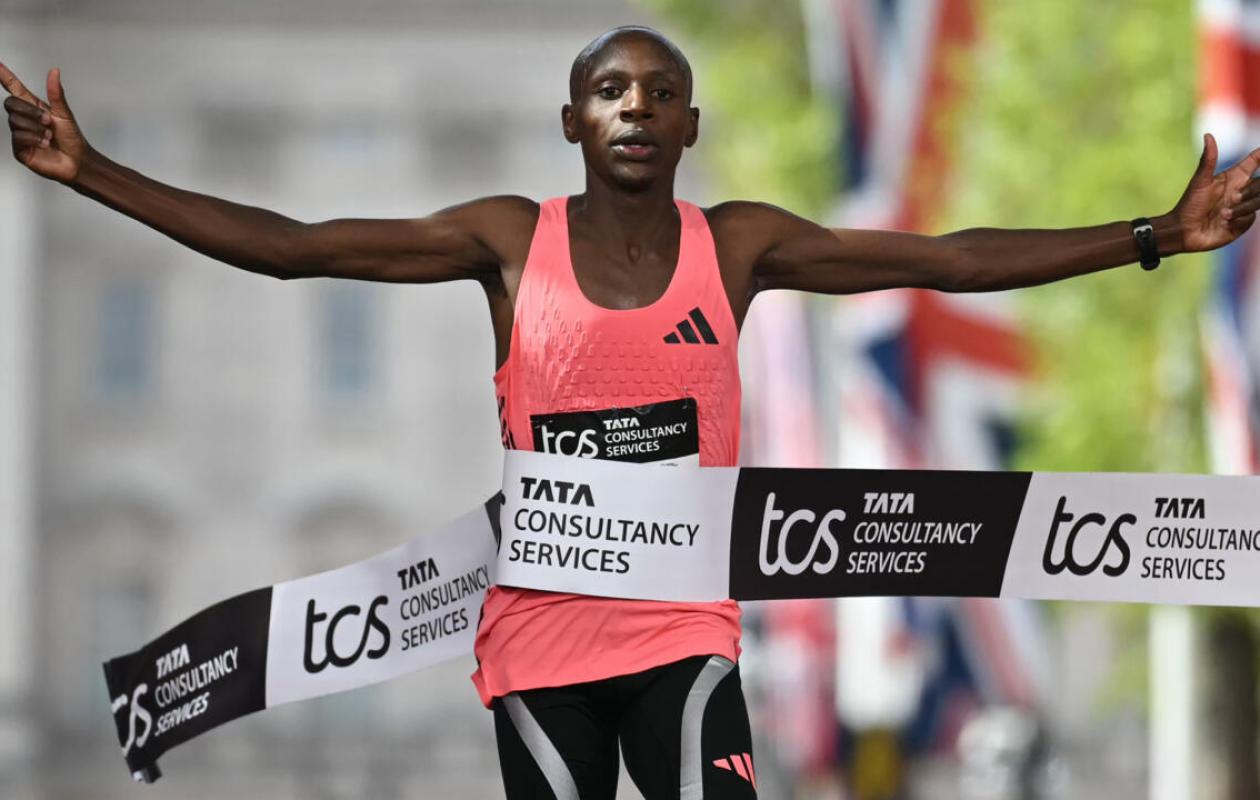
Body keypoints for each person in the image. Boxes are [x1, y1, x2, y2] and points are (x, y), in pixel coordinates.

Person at [4, 23, 1259, 800]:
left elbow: (945, 257)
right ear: (572, 119)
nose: (637, 110)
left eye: (662, 94)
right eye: (612, 90)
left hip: (682, 633)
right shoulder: (506, 241)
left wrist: (1153, 232)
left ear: (692, 125)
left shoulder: (743, 245)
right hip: (539, 649)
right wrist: (90, 169)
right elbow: (293, 247)